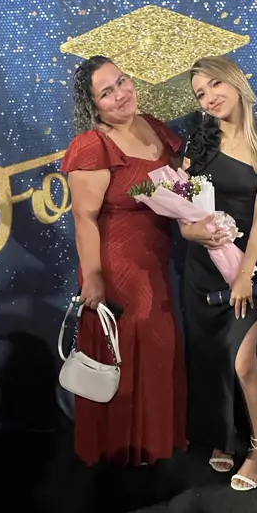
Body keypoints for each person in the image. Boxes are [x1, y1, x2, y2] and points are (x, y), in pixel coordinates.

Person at [60, 55, 187, 466]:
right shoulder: (93, 145)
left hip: (155, 263)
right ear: (94, 106)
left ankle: (151, 445)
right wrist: (93, 277)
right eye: (106, 92)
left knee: (156, 350)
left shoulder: (154, 126)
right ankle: (119, 451)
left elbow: (180, 186)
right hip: (116, 268)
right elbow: (84, 217)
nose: (120, 93)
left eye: (122, 81)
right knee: (124, 353)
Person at [179, 55, 257, 491]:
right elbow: (182, 214)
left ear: (235, 82)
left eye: (215, 85)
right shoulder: (197, 144)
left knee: (243, 364)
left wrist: (245, 274)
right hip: (201, 270)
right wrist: (193, 232)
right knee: (210, 360)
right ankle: (222, 438)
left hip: (245, 267)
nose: (210, 98)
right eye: (200, 94)